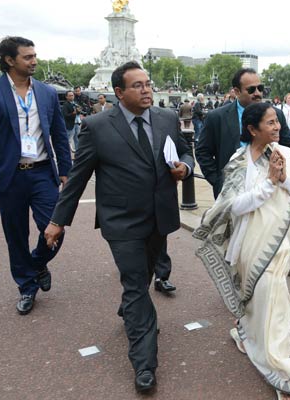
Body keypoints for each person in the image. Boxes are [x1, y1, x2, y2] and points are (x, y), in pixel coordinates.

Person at [44, 61, 194, 392]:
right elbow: (78, 178)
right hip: (121, 222)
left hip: (160, 217)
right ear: (118, 92)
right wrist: (57, 221)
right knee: (135, 285)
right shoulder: (97, 126)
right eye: (137, 85)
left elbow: (184, 152)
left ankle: (130, 307)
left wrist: (185, 166)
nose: (146, 90)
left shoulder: (167, 118)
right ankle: (144, 364)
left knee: (146, 273)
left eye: (148, 84)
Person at [195, 102, 290, 400]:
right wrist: (268, 185)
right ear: (252, 129)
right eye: (270, 123)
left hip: (279, 242)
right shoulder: (239, 161)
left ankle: (278, 365)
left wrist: (285, 179)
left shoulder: (287, 154)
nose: (277, 127)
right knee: (257, 297)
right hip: (248, 242)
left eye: (277, 121)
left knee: (275, 298)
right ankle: (247, 332)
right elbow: (232, 205)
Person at [0, 36, 71, 315]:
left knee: (55, 227)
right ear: (10, 60)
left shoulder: (46, 92)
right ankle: (27, 287)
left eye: (34, 55)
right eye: (27, 57)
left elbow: (59, 133)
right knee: (16, 234)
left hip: (43, 172)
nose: (34, 61)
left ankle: (35, 264)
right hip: (8, 176)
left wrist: (67, 171)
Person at [196, 68, 290, 199]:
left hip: (271, 191)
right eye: (251, 89)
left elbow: (289, 147)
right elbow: (203, 152)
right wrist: (218, 181)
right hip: (231, 194)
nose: (258, 93)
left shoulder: (277, 114)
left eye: (260, 88)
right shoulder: (216, 117)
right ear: (236, 91)